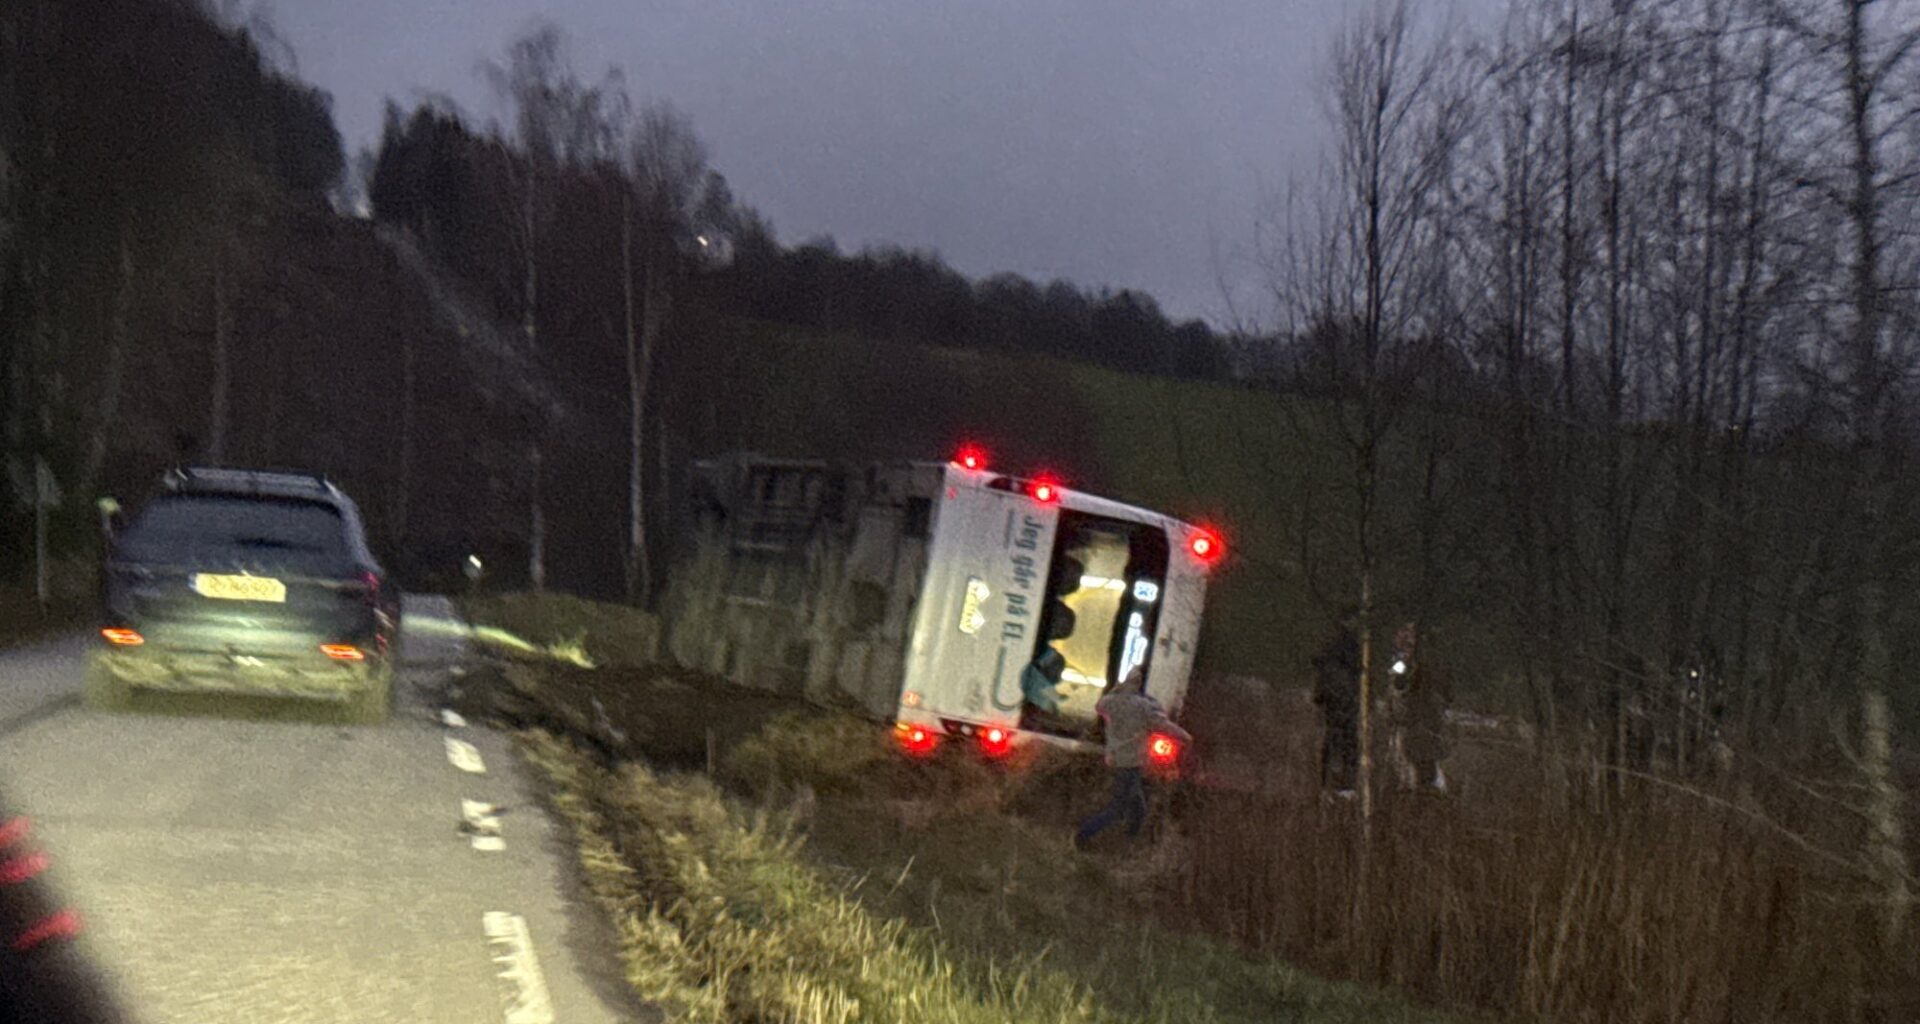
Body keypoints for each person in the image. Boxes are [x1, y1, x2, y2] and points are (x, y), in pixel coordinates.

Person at [1074, 667, 1191, 850]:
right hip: (1131, 762)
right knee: (1118, 809)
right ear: (1139, 685)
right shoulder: (1144, 707)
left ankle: (1129, 843)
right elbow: (1163, 724)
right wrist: (1185, 736)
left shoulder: (1111, 702)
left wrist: (1117, 689)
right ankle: (1082, 836)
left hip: (1115, 759)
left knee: (1138, 808)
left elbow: (1099, 705)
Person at [1390, 622, 1452, 792]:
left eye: (1409, 634)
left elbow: (1398, 681)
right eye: (1402, 632)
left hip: (1418, 720)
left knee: (1422, 760)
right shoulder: (1407, 659)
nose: (1404, 637)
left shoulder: (1417, 660)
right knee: (1417, 761)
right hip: (1412, 719)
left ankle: (1428, 793)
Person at [1311, 609, 1361, 797]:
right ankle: (1345, 785)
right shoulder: (1349, 646)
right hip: (1343, 701)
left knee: (1333, 741)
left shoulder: (1331, 646)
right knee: (1345, 741)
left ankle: (1328, 783)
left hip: (1335, 702)